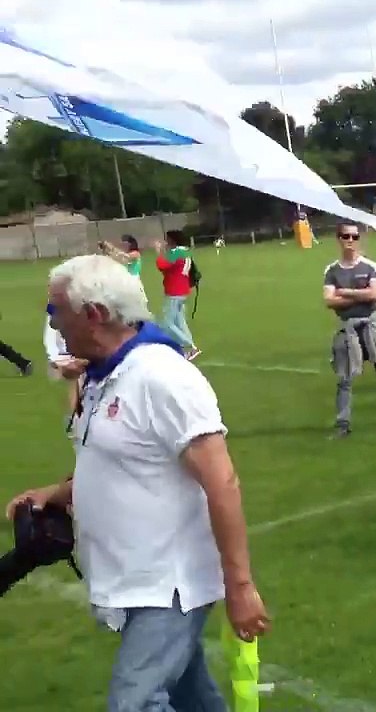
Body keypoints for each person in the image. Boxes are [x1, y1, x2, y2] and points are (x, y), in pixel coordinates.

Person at [6, 254, 269, 709]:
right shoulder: (102, 376)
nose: (52, 326)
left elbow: (221, 481)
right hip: (131, 576)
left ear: (94, 315)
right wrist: (56, 493)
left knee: (135, 702)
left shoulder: (162, 377)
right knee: (192, 696)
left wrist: (240, 587)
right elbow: (115, 460)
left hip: (169, 582)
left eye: (56, 312)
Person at [323, 223, 376, 438]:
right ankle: (343, 424)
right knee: (345, 378)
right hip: (348, 327)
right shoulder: (332, 270)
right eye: (345, 236)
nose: (350, 240)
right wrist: (360, 293)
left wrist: (345, 293)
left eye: (354, 236)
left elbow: (374, 295)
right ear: (338, 239)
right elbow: (329, 300)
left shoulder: (370, 266)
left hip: (372, 323)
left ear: (360, 239)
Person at [154, 229, 200, 361]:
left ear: (172, 240)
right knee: (180, 322)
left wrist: (159, 252)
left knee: (168, 323)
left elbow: (162, 265)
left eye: (167, 239)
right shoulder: (185, 251)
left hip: (174, 291)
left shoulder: (176, 252)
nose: (165, 242)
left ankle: (190, 347)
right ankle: (187, 347)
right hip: (183, 290)